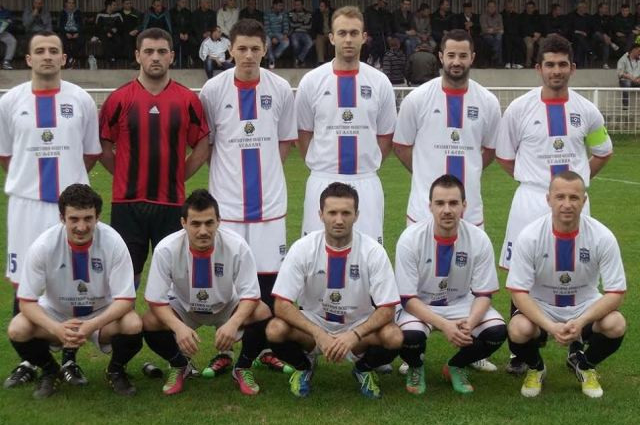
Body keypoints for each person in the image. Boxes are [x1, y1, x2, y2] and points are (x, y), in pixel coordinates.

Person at [496, 34, 613, 374]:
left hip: (574, 205)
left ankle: (575, 342)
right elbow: (505, 156)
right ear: (539, 68)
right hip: (531, 199)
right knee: (521, 273)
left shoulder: (587, 111)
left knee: (576, 266)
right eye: (550, 64)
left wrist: (576, 186)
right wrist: (541, 187)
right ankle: (523, 353)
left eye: (562, 64)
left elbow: (603, 152)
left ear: (572, 68)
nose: (556, 71)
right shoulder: (519, 109)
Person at [393, 29, 501, 373]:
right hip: (423, 211)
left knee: (468, 283)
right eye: (450, 55)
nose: (456, 61)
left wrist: (461, 187)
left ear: (472, 58)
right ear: (440, 57)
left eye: (462, 55)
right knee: (418, 283)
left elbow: (489, 150)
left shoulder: (487, 101)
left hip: (469, 211)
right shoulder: (418, 99)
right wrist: (431, 186)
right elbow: (402, 146)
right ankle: (414, 350)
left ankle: (473, 349)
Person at [0, 31, 101, 389]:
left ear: (63, 58)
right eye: (39, 51)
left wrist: (69, 195)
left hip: (70, 210)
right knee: (24, 281)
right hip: (26, 207)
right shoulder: (10, 101)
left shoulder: (81, 100)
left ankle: (70, 359)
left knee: (72, 278)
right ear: (28, 59)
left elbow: (90, 153)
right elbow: (6, 156)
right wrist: (30, 183)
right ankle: (32, 359)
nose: (47, 56)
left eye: (53, 51)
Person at [198, 18, 296, 375]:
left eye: (255, 48)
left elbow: (284, 142)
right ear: (230, 50)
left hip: (269, 205)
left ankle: (261, 349)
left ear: (265, 49)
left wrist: (266, 173)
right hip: (227, 206)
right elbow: (208, 145)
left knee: (268, 281)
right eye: (242, 48)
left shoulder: (280, 88)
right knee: (229, 281)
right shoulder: (212, 90)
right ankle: (227, 350)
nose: (249, 55)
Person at [267, 183, 403, 399]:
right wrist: (318, 333)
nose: (339, 220)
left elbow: (387, 309)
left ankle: (363, 369)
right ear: (320, 215)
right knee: (275, 329)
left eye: (346, 213)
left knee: (394, 336)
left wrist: (354, 335)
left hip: (356, 324)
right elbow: (281, 305)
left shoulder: (373, 251)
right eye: (332, 213)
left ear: (356, 215)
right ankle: (304, 367)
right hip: (315, 323)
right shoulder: (303, 248)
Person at [99, 27, 210, 291]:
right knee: (126, 275)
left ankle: (168, 319)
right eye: (149, 51)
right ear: (138, 55)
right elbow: (103, 144)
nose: (155, 57)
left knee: (173, 277)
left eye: (162, 51)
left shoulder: (187, 100)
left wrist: (178, 175)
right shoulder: (119, 99)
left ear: (172, 56)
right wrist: (124, 172)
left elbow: (202, 143)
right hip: (128, 204)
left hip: (171, 203)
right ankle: (124, 318)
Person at [7, 184, 143, 399]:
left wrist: (92, 325)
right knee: (18, 328)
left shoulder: (114, 242)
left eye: (88, 218)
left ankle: (115, 370)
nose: (82, 227)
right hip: (57, 314)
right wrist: (56, 328)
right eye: (74, 219)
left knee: (133, 324)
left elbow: (125, 299)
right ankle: (50, 370)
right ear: (62, 218)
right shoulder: (43, 246)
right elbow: (26, 301)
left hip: (99, 314)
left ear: (97, 217)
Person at [506, 171, 626, 398]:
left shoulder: (602, 236)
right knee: (518, 329)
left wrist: (581, 322)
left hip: (584, 308)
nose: (567, 204)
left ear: (584, 200)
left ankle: (585, 366)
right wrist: (551, 327)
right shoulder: (530, 236)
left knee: (616, 324)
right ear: (548, 199)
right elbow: (518, 292)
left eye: (574, 197)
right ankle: (536, 368)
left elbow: (616, 292)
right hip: (543, 307)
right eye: (560, 197)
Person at [142, 189, 272, 396]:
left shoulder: (237, 246)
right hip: (184, 307)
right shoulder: (166, 249)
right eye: (195, 224)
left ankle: (242, 367)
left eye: (209, 223)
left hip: (226, 306)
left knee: (262, 312)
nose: (203, 231)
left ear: (219, 221)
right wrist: (178, 327)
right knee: (149, 321)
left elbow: (251, 295)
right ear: (183, 223)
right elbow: (156, 300)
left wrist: (233, 323)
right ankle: (180, 365)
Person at [396, 175, 506, 395]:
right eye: (440, 203)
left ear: (464, 205)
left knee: (496, 331)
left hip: (460, 303)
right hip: (420, 304)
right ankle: (416, 366)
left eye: (453, 203)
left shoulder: (478, 238)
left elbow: (484, 294)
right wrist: (445, 326)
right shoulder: (410, 239)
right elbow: (407, 298)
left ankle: (456, 365)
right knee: (409, 336)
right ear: (430, 206)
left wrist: (470, 324)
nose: (447, 210)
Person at [296, 6, 396, 245]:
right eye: (342, 33)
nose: (348, 39)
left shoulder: (380, 82)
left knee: (368, 255)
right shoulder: (312, 81)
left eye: (354, 33)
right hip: (322, 179)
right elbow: (303, 134)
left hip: (366, 181)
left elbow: (386, 136)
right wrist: (323, 163)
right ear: (332, 38)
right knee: (317, 254)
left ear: (364, 37)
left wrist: (367, 164)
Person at [93, 0, 123, 65]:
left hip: (115, 33)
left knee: (119, 41)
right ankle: (111, 59)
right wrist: (106, 32)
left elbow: (121, 26)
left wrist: (114, 31)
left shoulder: (118, 14)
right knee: (106, 41)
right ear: (109, 6)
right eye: (114, 5)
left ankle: (112, 58)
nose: (116, 6)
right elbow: (98, 27)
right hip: (103, 33)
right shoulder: (100, 14)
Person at [363, 0, 392, 67]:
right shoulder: (369, 10)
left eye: (386, 3)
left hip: (381, 34)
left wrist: (389, 35)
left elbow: (387, 24)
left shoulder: (384, 12)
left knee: (383, 47)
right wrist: (367, 34)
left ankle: (381, 64)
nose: (385, 5)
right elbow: (365, 23)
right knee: (371, 48)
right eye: (384, 2)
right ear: (379, 1)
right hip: (371, 34)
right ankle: (371, 63)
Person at [58, 0, 84, 68]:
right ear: (66, 4)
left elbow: (82, 25)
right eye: (69, 3)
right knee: (63, 41)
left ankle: (71, 59)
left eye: (73, 3)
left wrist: (78, 33)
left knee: (81, 40)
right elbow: (60, 26)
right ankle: (71, 59)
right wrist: (66, 33)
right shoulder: (62, 13)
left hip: (76, 32)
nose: (71, 4)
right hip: (66, 32)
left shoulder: (78, 12)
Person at [591, 2, 619, 69]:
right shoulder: (594, 17)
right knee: (598, 34)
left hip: (605, 38)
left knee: (606, 42)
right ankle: (611, 43)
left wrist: (608, 36)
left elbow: (611, 28)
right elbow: (595, 28)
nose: (606, 10)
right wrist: (604, 35)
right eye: (605, 8)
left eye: (607, 8)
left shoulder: (608, 18)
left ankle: (605, 63)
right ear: (600, 9)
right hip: (594, 37)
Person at [264, 0, 289, 69]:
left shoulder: (283, 13)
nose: (281, 7)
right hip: (268, 33)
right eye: (279, 6)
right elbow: (266, 27)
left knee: (286, 42)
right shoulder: (267, 13)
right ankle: (271, 60)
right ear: (274, 5)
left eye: (282, 6)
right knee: (268, 42)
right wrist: (272, 37)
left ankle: (273, 56)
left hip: (279, 33)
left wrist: (285, 34)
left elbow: (286, 24)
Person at [288, 0, 313, 67]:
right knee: (295, 44)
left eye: (298, 5)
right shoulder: (291, 13)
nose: (297, 6)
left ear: (302, 5)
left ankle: (299, 59)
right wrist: (303, 22)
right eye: (295, 5)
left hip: (305, 33)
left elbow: (309, 26)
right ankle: (299, 59)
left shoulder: (308, 13)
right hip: (295, 33)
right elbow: (292, 24)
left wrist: (297, 23)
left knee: (310, 43)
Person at [170, 0, 194, 68]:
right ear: (178, 2)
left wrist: (187, 34)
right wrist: (178, 33)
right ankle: (174, 61)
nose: (184, 4)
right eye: (182, 2)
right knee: (175, 42)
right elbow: (171, 25)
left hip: (186, 34)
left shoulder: (188, 12)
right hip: (175, 34)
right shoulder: (171, 12)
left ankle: (188, 61)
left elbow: (191, 25)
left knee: (192, 42)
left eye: (185, 2)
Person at [119, 0, 143, 66]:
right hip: (122, 32)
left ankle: (137, 60)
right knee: (127, 39)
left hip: (134, 32)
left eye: (130, 3)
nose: (129, 5)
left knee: (139, 39)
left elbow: (141, 24)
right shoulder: (119, 13)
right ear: (123, 4)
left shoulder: (136, 13)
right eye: (127, 3)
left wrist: (136, 30)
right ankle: (132, 61)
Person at [568, 2, 593, 68]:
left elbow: (591, 28)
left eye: (586, 8)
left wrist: (586, 33)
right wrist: (579, 32)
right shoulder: (571, 16)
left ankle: (578, 63)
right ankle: (589, 51)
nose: (585, 9)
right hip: (573, 36)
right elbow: (568, 28)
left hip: (585, 37)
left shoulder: (588, 17)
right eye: (583, 7)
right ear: (579, 8)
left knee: (580, 43)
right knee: (579, 38)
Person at [480, 0, 503, 67]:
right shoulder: (483, 16)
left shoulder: (499, 16)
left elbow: (501, 28)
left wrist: (492, 29)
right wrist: (496, 29)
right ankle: (497, 59)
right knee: (495, 39)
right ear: (487, 7)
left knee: (499, 37)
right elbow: (484, 29)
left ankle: (494, 55)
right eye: (490, 6)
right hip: (486, 35)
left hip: (496, 35)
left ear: (495, 7)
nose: (492, 8)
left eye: (493, 6)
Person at [617, 43, 640, 109]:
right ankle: (625, 106)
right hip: (626, 80)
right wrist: (630, 77)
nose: (639, 53)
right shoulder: (623, 59)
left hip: (637, 80)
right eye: (639, 51)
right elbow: (620, 73)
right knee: (626, 83)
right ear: (634, 50)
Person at [502, 0, 524, 69]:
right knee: (508, 41)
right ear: (505, 7)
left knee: (519, 41)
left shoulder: (517, 16)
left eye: (511, 7)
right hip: (505, 34)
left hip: (515, 34)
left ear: (513, 7)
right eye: (508, 7)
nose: (509, 8)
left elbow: (520, 27)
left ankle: (517, 62)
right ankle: (508, 62)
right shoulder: (501, 15)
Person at [520, 1, 543, 68]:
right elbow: (523, 29)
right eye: (528, 7)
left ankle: (538, 62)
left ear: (534, 8)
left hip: (538, 36)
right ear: (526, 8)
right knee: (530, 45)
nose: (529, 9)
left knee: (544, 44)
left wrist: (539, 34)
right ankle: (528, 63)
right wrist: (533, 34)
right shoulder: (522, 16)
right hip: (527, 36)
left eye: (531, 7)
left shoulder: (538, 16)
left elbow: (542, 26)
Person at [311, 0, 334, 65]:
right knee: (319, 40)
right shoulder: (317, 14)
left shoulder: (333, 13)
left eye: (322, 6)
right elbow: (314, 27)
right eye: (320, 6)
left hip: (332, 34)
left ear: (327, 7)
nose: (320, 8)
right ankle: (321, 61)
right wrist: (313, 38)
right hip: (322, 34)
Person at [0, 0, 16, 70]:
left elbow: (12, 24)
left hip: (3, 32)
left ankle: (6, 61)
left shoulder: (7, 12)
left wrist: (9, 22)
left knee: (12, 41)